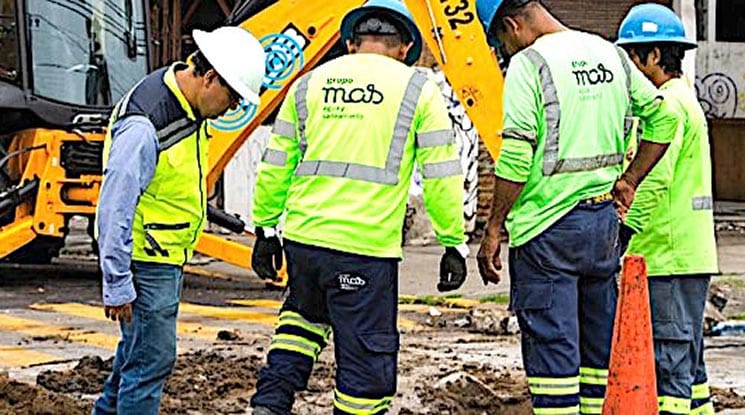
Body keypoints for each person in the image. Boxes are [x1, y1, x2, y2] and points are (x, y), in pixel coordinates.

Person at [247, 1, 469, 414]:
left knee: (301, 323)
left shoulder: (308, 84)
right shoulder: (418, 89)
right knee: (366, 366)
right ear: (405, 47)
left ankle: (269, 405)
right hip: (363, 250)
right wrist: (452, 242)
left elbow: (276, 163)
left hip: (304, 241)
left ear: (351, 42)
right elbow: (441, 175)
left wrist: (264, 230)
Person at [473, 0, 681, 413]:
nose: (505, 51)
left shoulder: (528, 65)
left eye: (501, 41)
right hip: (601, 225)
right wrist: (629, 180)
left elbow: (515, 157)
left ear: (512, 25)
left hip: (546, 231)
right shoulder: (612, 55)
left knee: (553, 355)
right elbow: (665, 121)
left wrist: (493, 228)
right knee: (594, 354)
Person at [93, 26, 265, 414]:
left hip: (164, 254)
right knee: (149, 364)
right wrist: (118, 283)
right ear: (209, 78)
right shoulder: (146, 126)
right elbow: (115, 205)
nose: (232, 109)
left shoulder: (186, 103)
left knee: (133, 360)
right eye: (233, 98)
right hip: (146, 262)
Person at [617, 4, 719, 415]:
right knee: (690, 367)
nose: (628, 67)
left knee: (670, 366)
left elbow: (654, 178)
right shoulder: (684, 97)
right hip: (683, 255)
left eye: (631, 57)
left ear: (654, 56)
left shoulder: (667, 106)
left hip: (667, 257)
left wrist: (623, 234)